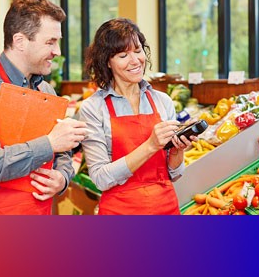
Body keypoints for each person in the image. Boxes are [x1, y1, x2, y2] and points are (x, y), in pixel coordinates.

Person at [0, 0, 88, 215]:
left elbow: (62, 153)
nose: (58, 51)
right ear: (20, 41)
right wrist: (48, 143)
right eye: (50, 42)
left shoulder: (47, 91)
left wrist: (62, 178)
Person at [79, 18, 192, 215]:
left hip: (166, 208)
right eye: (123, 55)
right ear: (107, 61)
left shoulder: (162, 101)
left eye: (138, 51)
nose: (135, 61)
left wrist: (177, 151)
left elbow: (174, 173)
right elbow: (100, 178)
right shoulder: (93, 108)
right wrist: (150, 145)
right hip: (120, 212)